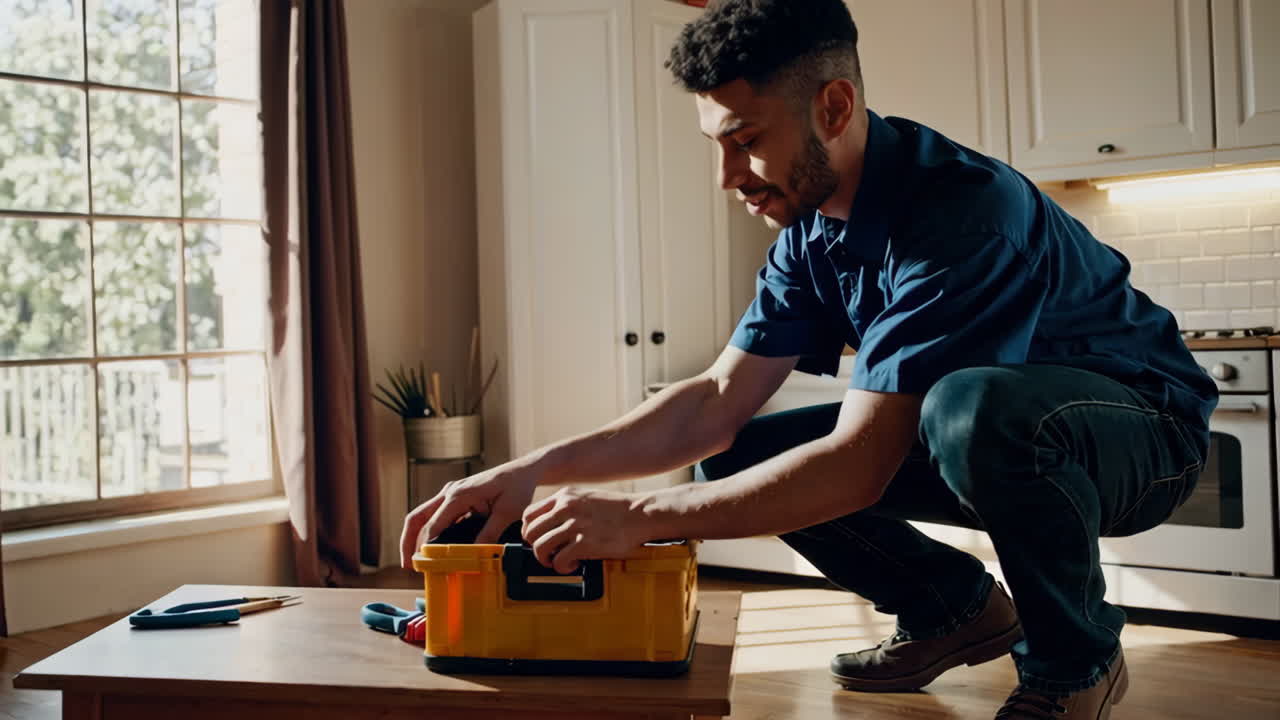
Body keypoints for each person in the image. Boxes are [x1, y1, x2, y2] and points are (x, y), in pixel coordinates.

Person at [400, 1, 1217, 717]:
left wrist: (637, 518)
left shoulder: (963, 213)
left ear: (834, 105)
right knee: (745, 454)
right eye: (716, 146)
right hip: (993, 439)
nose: (727, 178)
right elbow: (716, 403)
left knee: (971, 408)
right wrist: (527, 471)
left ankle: (1075, 662)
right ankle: (951, 609)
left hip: (1144, 435)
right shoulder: (810, 231)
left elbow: (859, 465)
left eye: (745, 141)